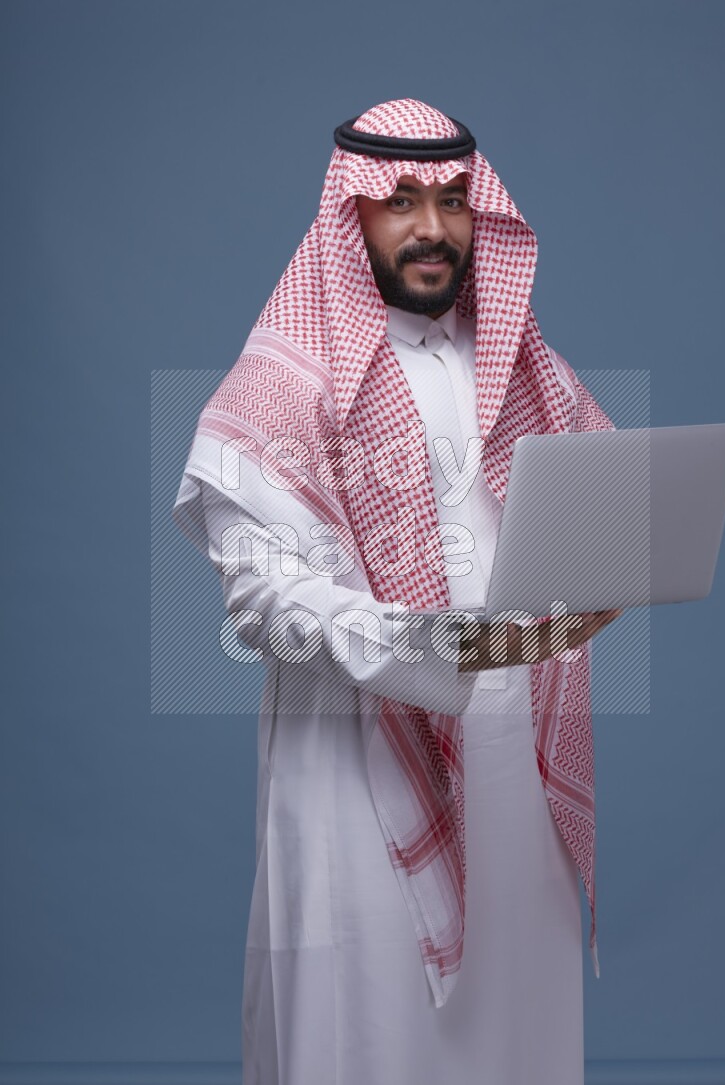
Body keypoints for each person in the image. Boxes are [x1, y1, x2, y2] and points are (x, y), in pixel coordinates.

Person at [173, 98, 622, 1085]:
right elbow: (267, 604)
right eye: (400, 200)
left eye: (454, 199)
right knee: (375, 1037)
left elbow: (597, 503)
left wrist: (615, 566)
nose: (432, 225)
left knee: (518, 1032)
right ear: (350, 215)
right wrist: (462, 648)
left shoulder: (519, 366)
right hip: (359, 765)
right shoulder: (282, 386)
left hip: (516, 764)